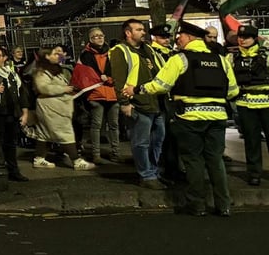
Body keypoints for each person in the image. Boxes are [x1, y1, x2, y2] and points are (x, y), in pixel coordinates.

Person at [136, 21, 239, 216]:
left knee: (194, 161)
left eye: (180, 36)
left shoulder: (180, 59)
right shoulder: (221, 60)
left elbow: (160, 85)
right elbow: (233, 91)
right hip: (217, 118)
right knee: (215, 160)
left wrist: (137, 89)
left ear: (190, 38)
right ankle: (224, 205)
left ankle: (197, 205)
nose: (177, 39)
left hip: (189, 117)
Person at [110, 19, 166, 189]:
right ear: (128, 33)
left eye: (143, 29)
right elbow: (119, 80)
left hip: (155, 102)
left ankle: (154, 172)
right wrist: (124, 102)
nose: (143, 32)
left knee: (157, 140)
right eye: (139, 29)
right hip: (139, 103)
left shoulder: (147, 49)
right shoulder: (120, 51)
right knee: (141, 142)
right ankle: (147, 175)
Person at [30, 46, 94, 170]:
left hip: (55, 107)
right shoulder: (42, 71)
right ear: (47, 56)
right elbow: (43, 87)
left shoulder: (54, 70)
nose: (58, 56)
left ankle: (39, 158)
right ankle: (76, 160)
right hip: (51, 108)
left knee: (44, 134)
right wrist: (63, 89)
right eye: (54, 54)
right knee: (65, 133)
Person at [231, 24, 269, 185]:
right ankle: (254, 173)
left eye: (246, 37)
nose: (242, 40)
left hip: (267, 102)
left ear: (254, 39)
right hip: (245, 103)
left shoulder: (266, 56)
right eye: (240, 37)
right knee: (251, 140)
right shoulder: (232, 57)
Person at [0, 46, 29, 182]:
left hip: (12, 114)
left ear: (5, 58)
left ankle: (13, 170)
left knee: (11, 144)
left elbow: (22, 94)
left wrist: (25, 113)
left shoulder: (12, 75)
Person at [79, 29, 121, 162]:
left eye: (101, 36)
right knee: (97, 125)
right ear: (90, 39)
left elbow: (119, 70)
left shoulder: (112, 53)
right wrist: (105, 79)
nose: (99, 38)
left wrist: (109, 79)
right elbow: (85, 75)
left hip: (111, 93)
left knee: (113, 125)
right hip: (96, 94)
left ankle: (115, 153)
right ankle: (96, 154)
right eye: (95, 36)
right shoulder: (86, 55)